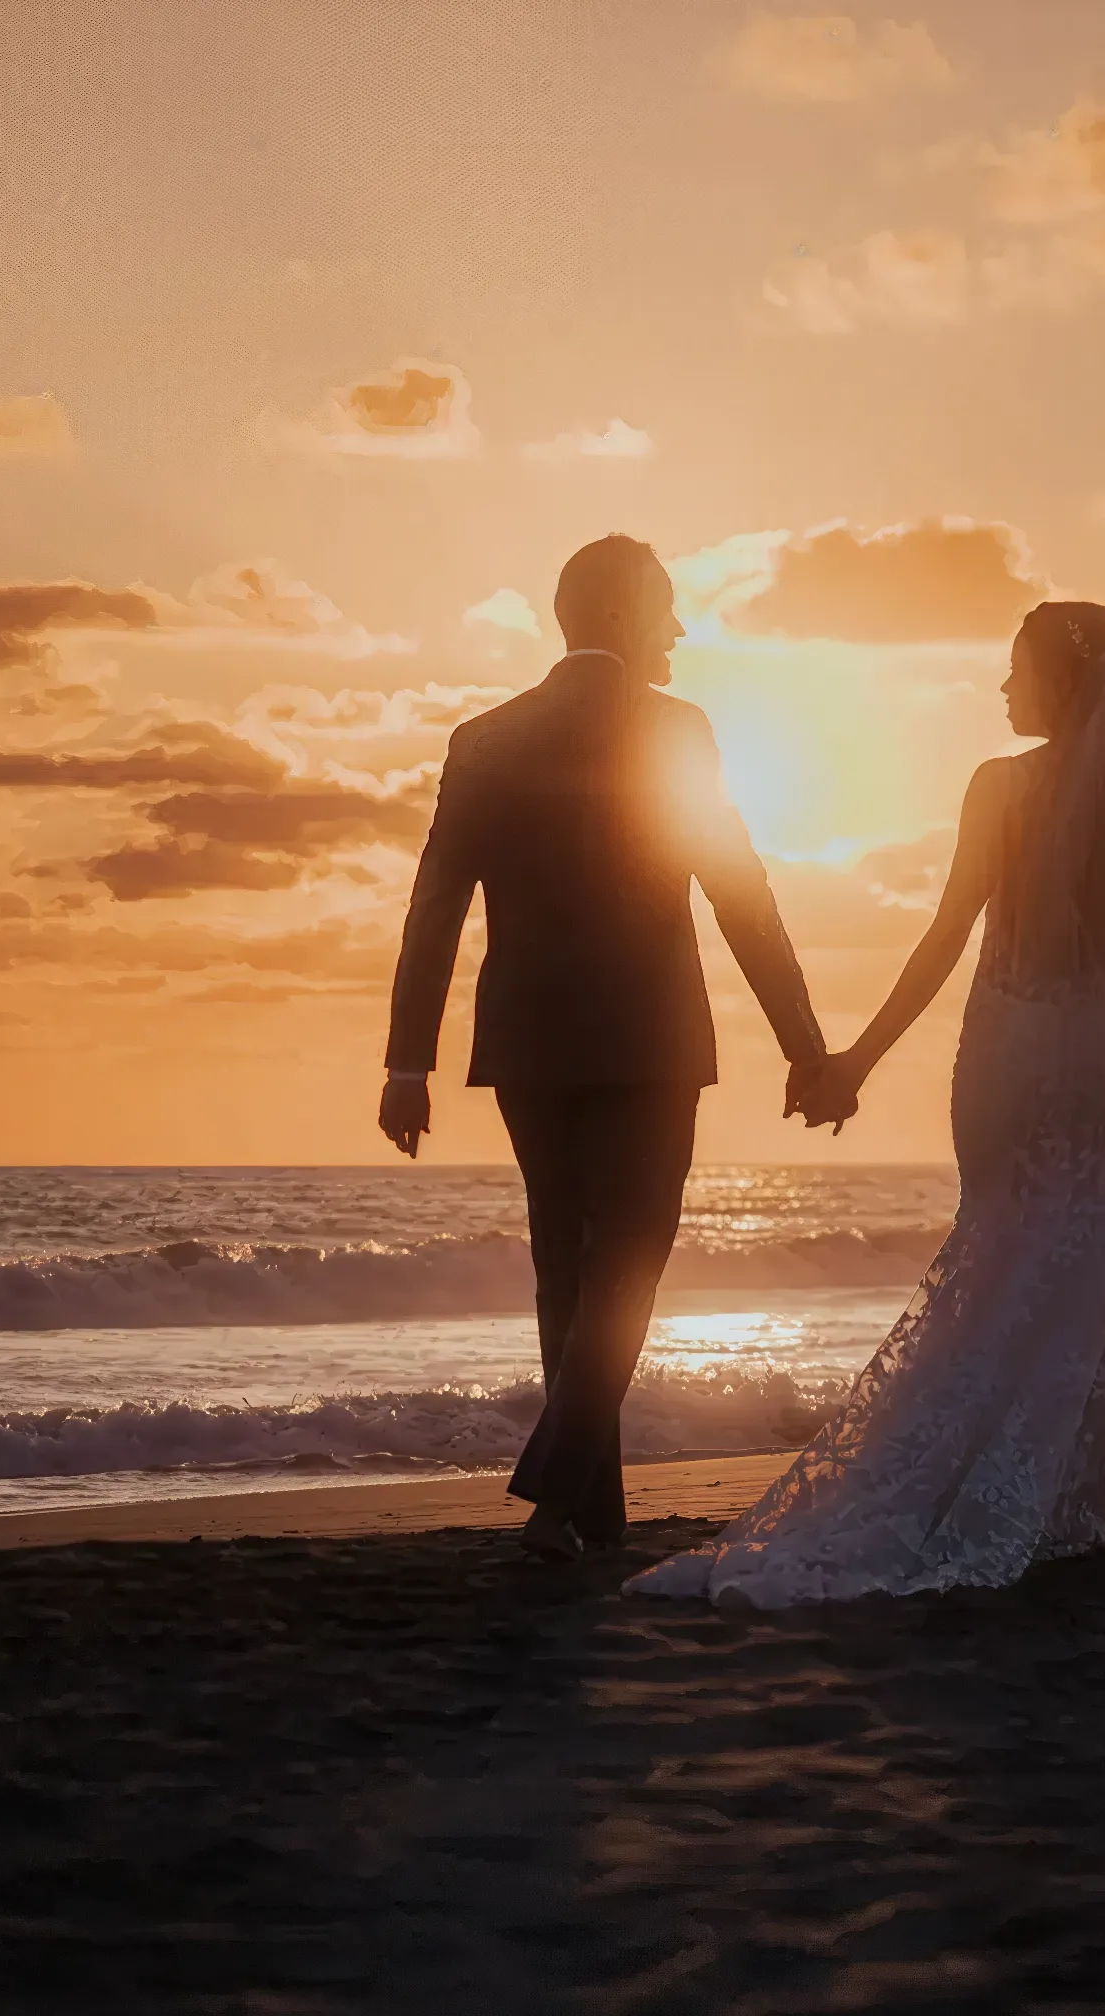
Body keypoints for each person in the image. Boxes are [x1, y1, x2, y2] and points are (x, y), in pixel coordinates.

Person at [628, 599, 1105, 1609]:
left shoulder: (998, 788)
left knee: (1002, 1247)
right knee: (1089, 1264)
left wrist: (854, 1062)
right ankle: (1060, 1496)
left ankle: (1000, 1480)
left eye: (1015, 671)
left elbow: (944, 939)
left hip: (1013, 1051)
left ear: (1061, 682)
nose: (1003, 688)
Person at [377, 534, 828, 1558]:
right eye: (666, 607)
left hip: (528, 1043)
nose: (677, 629)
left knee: (563, 1271)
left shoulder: (484, 736)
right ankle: (555, 1493)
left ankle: (592, 1515)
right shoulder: (677, 729)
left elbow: (434, 903)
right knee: (626, 1263)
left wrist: (408, 1060)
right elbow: (737, 890)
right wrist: (801, 1040)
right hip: (653, 1038)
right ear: (623, 613)